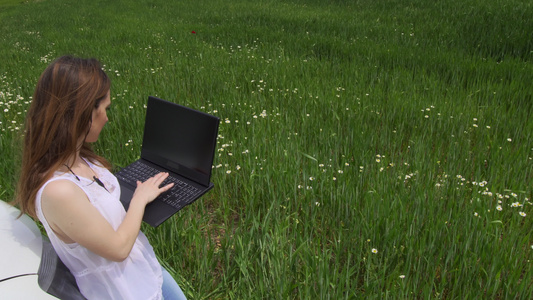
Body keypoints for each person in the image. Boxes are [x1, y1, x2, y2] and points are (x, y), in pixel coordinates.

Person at [14, 55, 187, 300]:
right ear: (82, 114)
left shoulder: (77, 156)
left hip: (143, 270)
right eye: (104, 109)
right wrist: (139, 199)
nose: (106, 118)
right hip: (123, 291)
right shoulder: (58, 192)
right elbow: (117, 249)